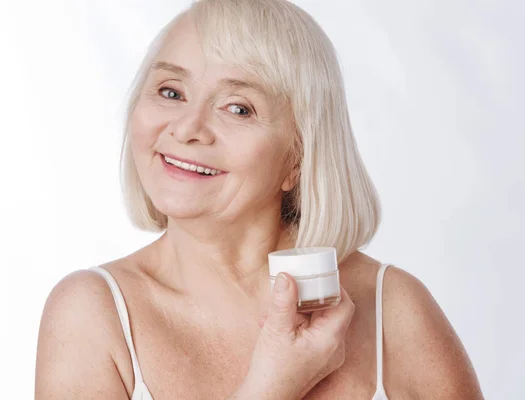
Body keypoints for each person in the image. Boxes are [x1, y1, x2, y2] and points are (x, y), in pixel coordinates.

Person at [35, 0, 484, 398]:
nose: (188, 127)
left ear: (299, 157)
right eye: (171, 92)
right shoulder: (91, 315)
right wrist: (272, 388)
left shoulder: (393, 309)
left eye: (238, 108)